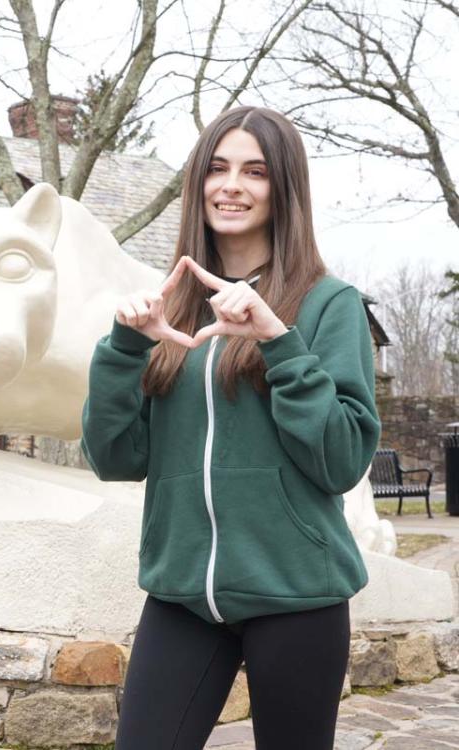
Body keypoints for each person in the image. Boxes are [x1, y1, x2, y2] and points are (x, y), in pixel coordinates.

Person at [81, 106, 379, 749]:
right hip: (183, 596)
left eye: (255, 171)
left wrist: (279, 341)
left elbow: (342, 458)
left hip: (297, 594)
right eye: (216, 168)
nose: (231, 185)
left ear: (284, 189)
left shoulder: (330, 303)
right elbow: (114, 456)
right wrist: (122, 350)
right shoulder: (171, 304)